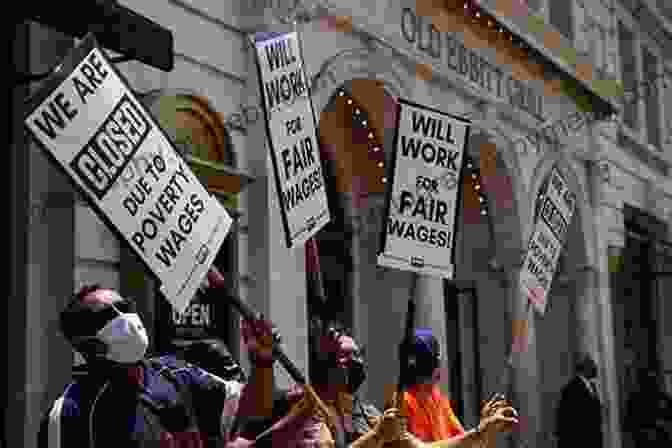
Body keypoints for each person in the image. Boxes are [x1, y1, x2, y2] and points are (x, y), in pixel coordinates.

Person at [37, 281, 245, 448]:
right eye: (106, 316)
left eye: (125, 307)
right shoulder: (70, 413)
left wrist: (261, 362)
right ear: (86, 343)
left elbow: (250, 410)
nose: (125, 318)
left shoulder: (174, 373)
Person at [400, 328, 515, 447]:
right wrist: (480, 432)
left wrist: (488, 430)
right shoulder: (401, 404)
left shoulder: (437, 399)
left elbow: (469, 445)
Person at [555, 353, 603, 448]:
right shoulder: (571, 389)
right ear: (583, 368)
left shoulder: (592, 386)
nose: (595, 367)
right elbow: (567, 421)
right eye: (591, 364)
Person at [625, 368, 672, 447]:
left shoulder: (662, 397)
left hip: (660, 437)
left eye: (654, 379)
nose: (653, 382)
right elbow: (630, 422)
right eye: (649, 379)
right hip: (645, 437)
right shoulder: (635, 398)